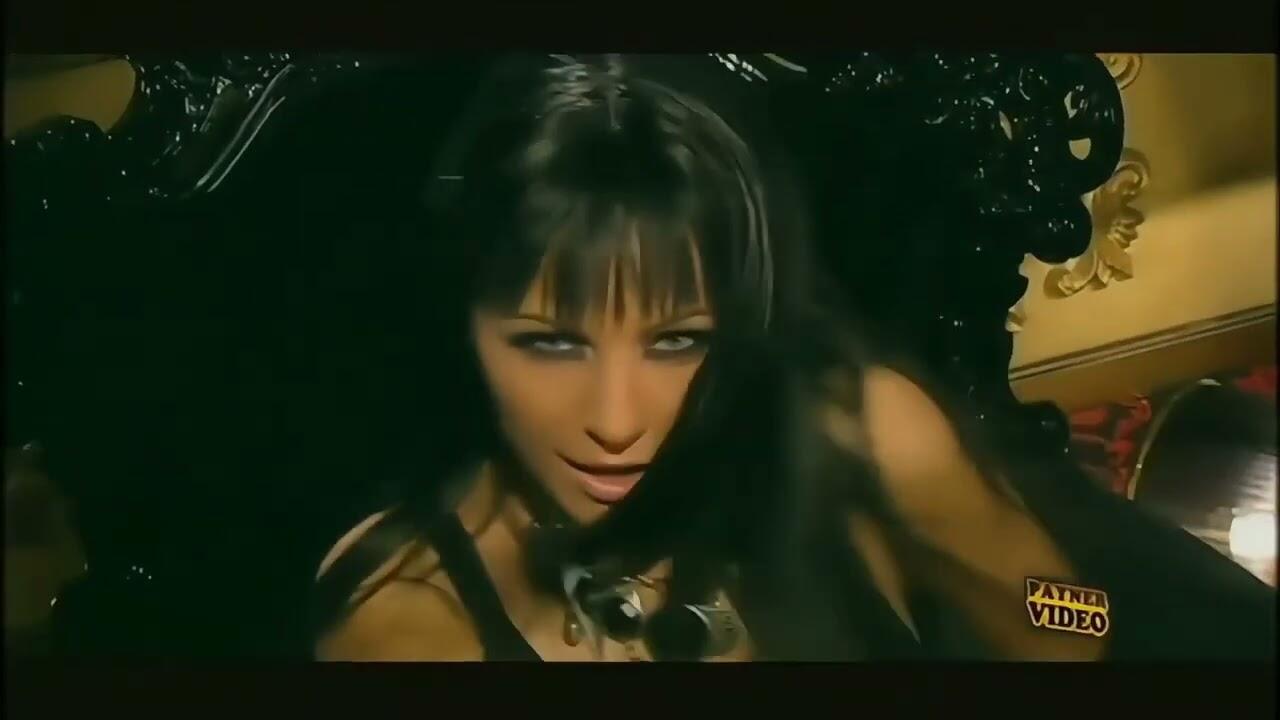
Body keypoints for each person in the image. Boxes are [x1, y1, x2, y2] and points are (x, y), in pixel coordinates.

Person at [302, 54, 1273, 661]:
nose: (614, 420)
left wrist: (993, 575)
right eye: (549, 342)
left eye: (678, 340)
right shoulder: (409, 624)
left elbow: (1074, 627)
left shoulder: (858, 427)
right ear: (466, 326)